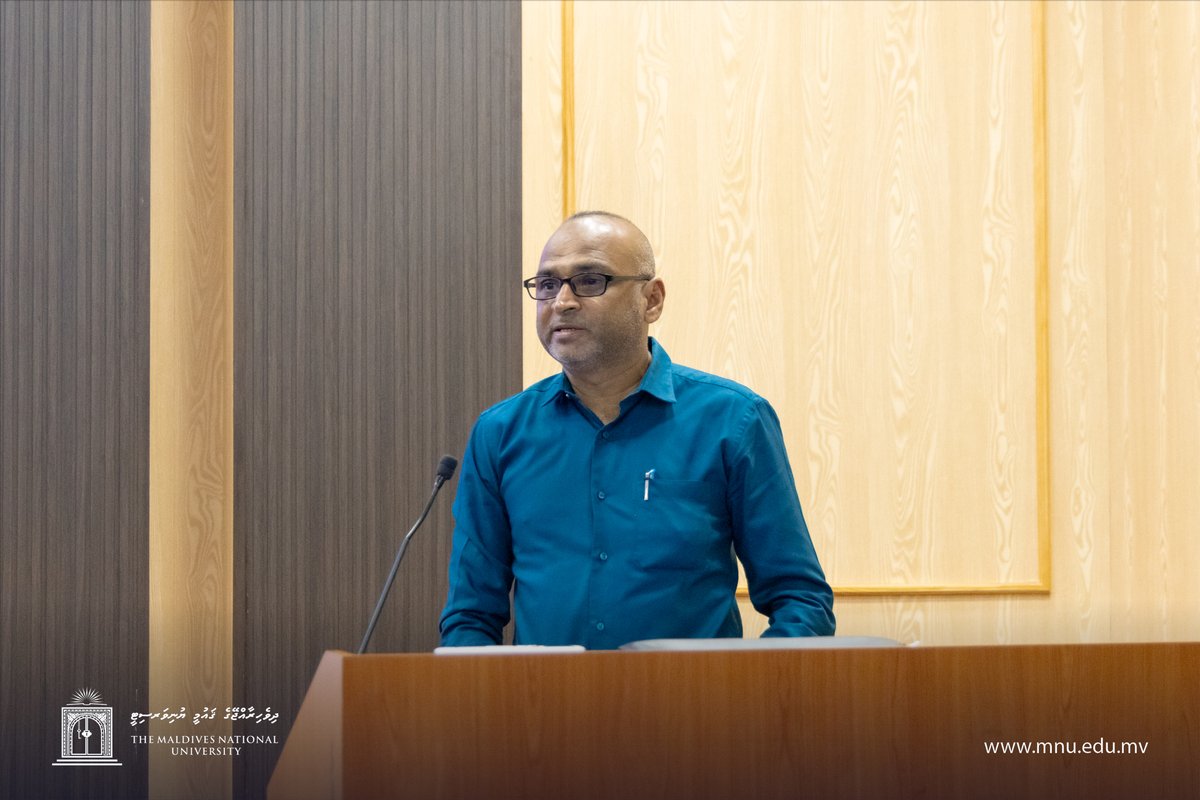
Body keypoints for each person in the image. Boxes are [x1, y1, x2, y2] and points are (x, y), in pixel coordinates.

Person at [439, 211, 834, 648]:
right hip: (547, 710)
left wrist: (748, 694)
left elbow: (800, 600)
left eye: (590, 281)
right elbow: (470, 615)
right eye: (548, 285)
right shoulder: (500, 433)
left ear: (652, 300)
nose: (562, 302)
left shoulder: (732, 420)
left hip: (693, 710)